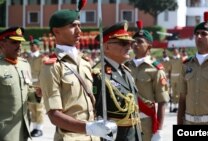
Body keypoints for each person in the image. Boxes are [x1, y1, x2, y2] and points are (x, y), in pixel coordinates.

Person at [39, 7, 117, 141]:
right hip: (70, 137)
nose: (79, 31)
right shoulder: (53, 66)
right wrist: (88, 128)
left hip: (94, 137)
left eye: (79, 26)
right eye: (72, 26)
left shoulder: (85, 62)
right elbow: (54, 115)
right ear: (56, 31)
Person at [93, 20, 142, 141]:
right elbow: (95, 116)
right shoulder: (99, 75)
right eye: (123, 43)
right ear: (106, 46)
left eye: (130, 43)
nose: (129, 47)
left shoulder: (126, 71)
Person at [125, 20, 168, 141]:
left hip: (145, 122)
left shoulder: (156, 69)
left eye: (140, 42)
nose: (135, 45)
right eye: (134, 42)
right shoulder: (125, 66)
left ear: (149, 46)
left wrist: (158, 130)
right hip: (125, 121)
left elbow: (162, 101)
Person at [0, 27, 42, 141]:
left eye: (20, 42)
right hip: (5, 132)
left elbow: (27, 91)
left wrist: (36, 95)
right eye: (14, 42)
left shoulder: (24, 64)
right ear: (2, 44)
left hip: (23, 129)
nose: (19, 46)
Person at [27, 39, 47, 137]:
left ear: (38, 47)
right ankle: (34, 128)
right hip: (30, 85)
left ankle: (39, 129)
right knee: (32, 108)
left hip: (39, 85)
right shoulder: (28, 57)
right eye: (31, 45)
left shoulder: (42, 58)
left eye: (34, 45)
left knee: (39, 108)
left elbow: (45, 72)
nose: (32, 47)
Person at [169, 47, 183, 113]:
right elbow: (170, 69)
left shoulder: (181, 59)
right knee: (173, 93)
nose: (175, 52)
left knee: (178, 92)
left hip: (179, 78)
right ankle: (175, 106)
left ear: (178, 52)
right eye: (174, 51)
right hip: (172, 78)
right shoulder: (171, 60)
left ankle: (179, 106)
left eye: (176, 51)